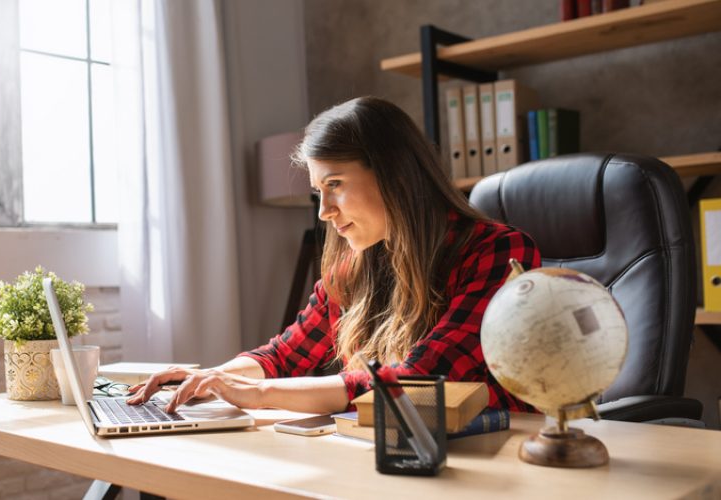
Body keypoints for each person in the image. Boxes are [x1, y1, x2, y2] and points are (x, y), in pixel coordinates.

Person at [126, 96, 541, 415]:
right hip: (398, 453)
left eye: (336, 183)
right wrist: (210, 378)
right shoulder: (355, 266)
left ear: (395, 174)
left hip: (498, 462)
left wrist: (259, 395)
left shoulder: (499, 252)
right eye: (317, 191)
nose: (324, 211)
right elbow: (285, 356)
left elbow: (423, 382)